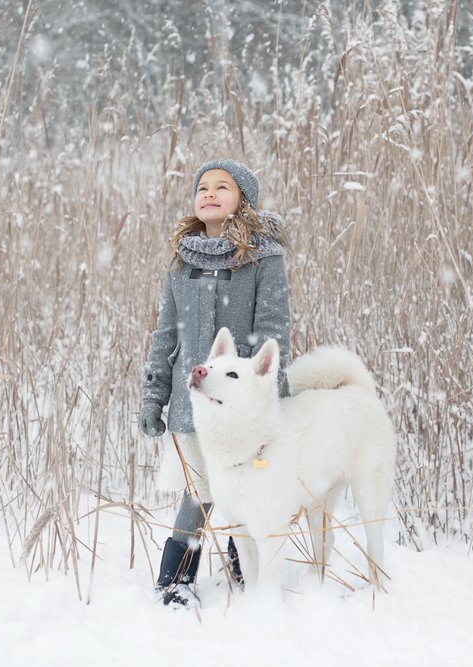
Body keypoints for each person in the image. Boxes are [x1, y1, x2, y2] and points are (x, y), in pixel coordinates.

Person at [139, 158, 292, 607]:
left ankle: (244, 564)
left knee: (248, 482)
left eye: (221, 187)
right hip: (193, 409)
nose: (208, 193)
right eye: (201, 187)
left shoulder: (262, 260)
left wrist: (268, 395)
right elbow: (166, 335)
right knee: (200, 490)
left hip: (245, 410)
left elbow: (272, 331)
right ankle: (175, 579)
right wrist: (153, 395)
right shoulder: (180, 264)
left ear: (243, 201)